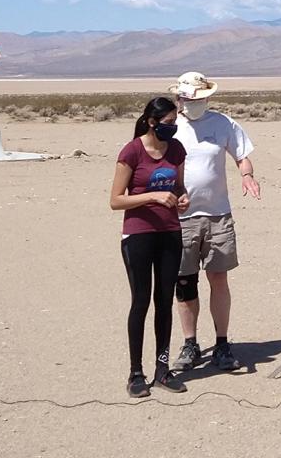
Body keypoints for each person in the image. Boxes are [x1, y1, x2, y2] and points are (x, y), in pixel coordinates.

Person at [167, 71, 260, 372]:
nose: (192, 103)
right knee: (185, 282)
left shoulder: (223, 124)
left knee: (218, 278)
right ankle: (190, 343)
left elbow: (242, 155)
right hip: (180, 218)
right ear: (179, 98)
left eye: (198, 98)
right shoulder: (170, 128)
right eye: (187, 98)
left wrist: (247, 176)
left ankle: (222, 343)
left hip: (218, 215)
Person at [110, 97, 190, 397]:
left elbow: (179, 186)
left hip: (170, 232)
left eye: (175, 123)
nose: (173, 128)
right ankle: (135, 373)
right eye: (168, 124)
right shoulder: (131, 151)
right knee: (141, 301)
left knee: (165, 302)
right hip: (139, 235)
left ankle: (162, 369)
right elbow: (116, 200)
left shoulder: (177, 150)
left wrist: (182, 198)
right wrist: (152, 198)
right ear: (153, 122)